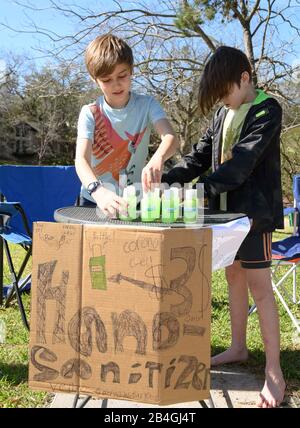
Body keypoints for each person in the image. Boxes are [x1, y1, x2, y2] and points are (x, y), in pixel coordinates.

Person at [162, 46, 286, 408]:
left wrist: (197, 193)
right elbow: (199, 156)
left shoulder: (267, 109)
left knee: (260, 288)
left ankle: (274, 371)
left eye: (226, 92)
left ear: (244, 79)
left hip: (253, 216)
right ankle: (237, 347)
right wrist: (168, 180)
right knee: (233, 277)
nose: (224, 102)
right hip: (223, 216)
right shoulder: (221, 113)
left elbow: (243, 163)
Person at [75, 33, 179, 217]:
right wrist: (98, 191)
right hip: (94, 201)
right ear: (94, 79)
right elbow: (81, 160)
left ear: (131, 70)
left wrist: (158, 158)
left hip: (136, 202)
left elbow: (170, 138)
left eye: (122, 75)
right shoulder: (90, 112)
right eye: (106, 80)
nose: (116, 85)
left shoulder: (147, 105)